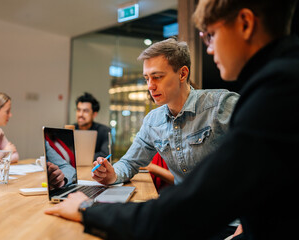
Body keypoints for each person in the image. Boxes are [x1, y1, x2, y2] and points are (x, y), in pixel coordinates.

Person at [45, 0, 299, 239]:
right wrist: (112, 173)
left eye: (211, 35)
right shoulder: (284, 76)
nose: (209, 47)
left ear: (246, 24)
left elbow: (203, 200)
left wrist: (86, 209)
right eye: (147, 79)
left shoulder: (256, 96)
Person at [92, 38, 239, 186]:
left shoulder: (220, 105)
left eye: (157, 77)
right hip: (184, 202)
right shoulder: (153, 121)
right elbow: (129, 162)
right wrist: (111, 174)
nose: (150, 86)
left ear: (182, 74)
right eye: (146, 79)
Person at [73, 92, 111, 161]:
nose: (80, 114)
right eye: (78, 110)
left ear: (94, 114)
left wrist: (77, 157)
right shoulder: (70, 130)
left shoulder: (104, 131)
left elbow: (105, 155)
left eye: (85, 111)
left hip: (93, 169)